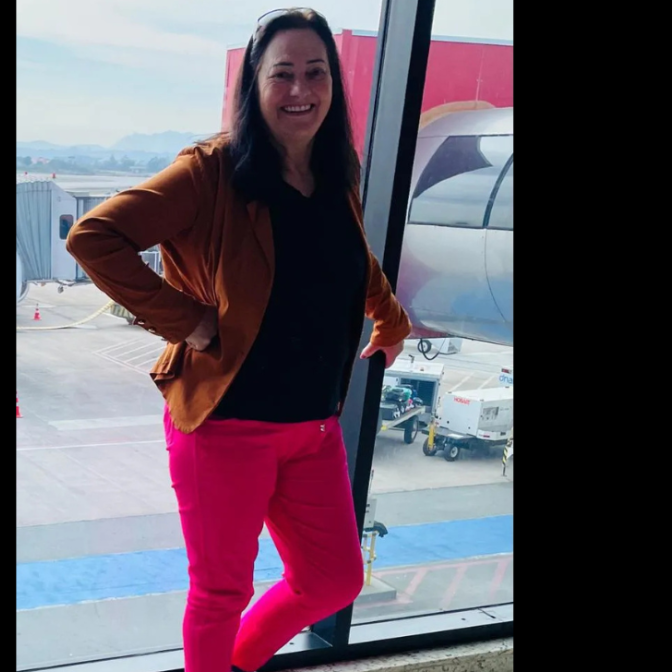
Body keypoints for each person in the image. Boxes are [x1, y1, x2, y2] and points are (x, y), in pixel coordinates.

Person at [66, 8, 412, 672]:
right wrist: (187, 321)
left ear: (334, 84)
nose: (300, 89)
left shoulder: (335, 168)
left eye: (316, 72)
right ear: (254, 83)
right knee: (222, 593)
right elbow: (94, 238)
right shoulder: (211, 170)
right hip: (226, 426)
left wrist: (389, 316)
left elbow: (352, 258)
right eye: (282, 73)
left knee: (334, 579)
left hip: (313, 428)